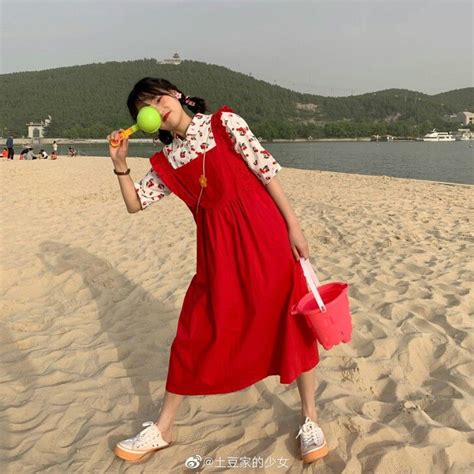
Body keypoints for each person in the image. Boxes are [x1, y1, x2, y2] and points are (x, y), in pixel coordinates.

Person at [107, 78, 328, 465]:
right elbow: (135, 204)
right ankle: (164, 427)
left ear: (176, 96)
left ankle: (310, 419)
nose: (159, 108)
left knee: (289, 319)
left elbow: (266, 171)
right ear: (146, 122)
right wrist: (120, 166)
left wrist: (294, 225)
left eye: (160, 98)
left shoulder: (224, 124)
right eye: (148, 108)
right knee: (194, 330)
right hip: (215, 252)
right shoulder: (168, 160)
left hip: (265, 235)